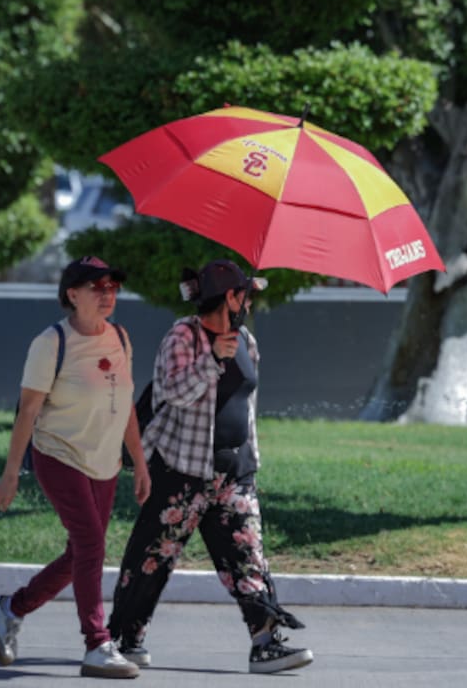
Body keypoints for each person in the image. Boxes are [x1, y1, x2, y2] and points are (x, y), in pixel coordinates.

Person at [107, 259, 313, 674]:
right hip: (181, 470)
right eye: (246, 296)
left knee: (248, 557)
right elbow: (172, 392)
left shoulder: (246, 340)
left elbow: (246, 403)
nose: (250, 303)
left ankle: (265, 642)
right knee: (152, 558)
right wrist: (212, 360)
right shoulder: (183, 336)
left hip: (234, 473)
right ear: (230, 298)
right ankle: (125, 639)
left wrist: (250, 458)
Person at [0, 255, 152, 680]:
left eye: (112, 287)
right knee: (92, 546)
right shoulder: (51, 343)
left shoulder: (121, 338)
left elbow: (125, 405)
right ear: (72, 295)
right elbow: (27, 411)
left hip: (105, 462)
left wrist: (140, 462)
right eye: (97, 288)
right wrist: (10, 474)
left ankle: (10, 607)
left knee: (80, 552)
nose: (107, 295)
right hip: (60, 456)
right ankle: (97, 643)